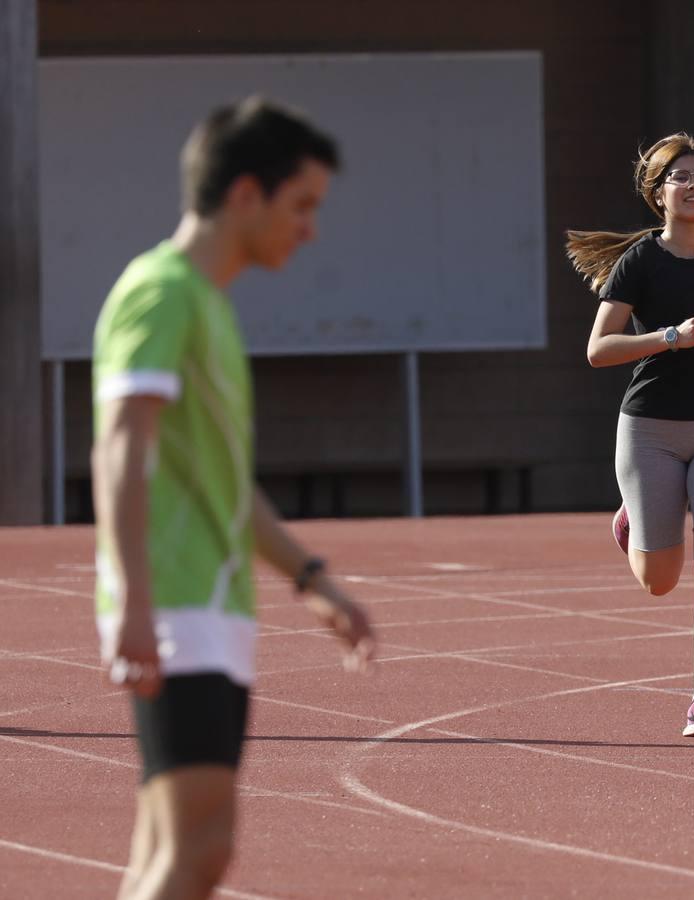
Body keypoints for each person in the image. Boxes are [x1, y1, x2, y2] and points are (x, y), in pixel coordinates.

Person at [92, 96, 377, 900]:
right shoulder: (162, 292)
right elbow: (120, 446)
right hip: (176, 607)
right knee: (199, 850)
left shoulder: (207, 305)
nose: (311, 229)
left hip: (209, 606)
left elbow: (225, 488)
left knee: (166, 851)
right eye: (302, 205)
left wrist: (312, 578)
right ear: (246, 194)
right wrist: (137, 604)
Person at [566, 133, 694, 737]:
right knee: (659, 580)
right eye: (681, 177)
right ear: (659, 194)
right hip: (651, 426)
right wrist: (671, 336)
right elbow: (599, 349)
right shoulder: (641, 262)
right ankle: (632, 522)